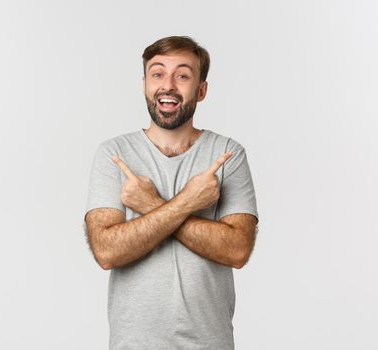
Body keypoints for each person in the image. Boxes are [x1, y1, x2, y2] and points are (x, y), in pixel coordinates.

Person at [83, 35, 259, 350]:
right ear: (145, 84)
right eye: (158, 73)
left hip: (210, 343)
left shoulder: (228, 153)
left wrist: (151, 204)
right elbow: (107, 252)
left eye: (183, 75)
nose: (168, 85)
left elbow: (237, 250)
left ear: (201, 90)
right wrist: (189, 202)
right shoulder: (114, 153)